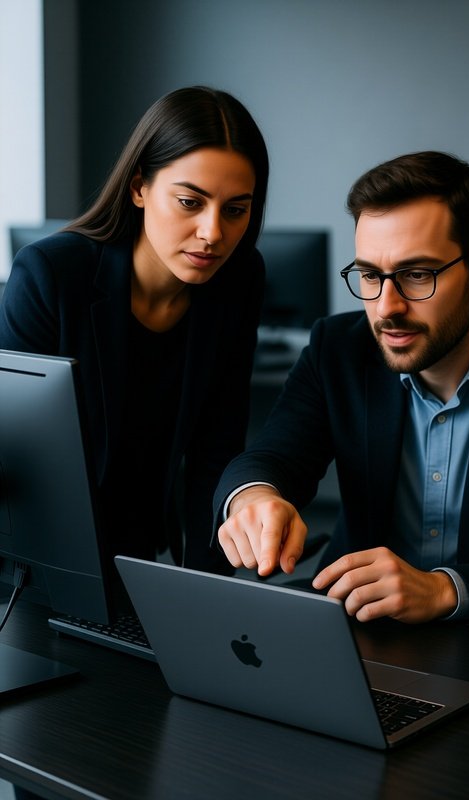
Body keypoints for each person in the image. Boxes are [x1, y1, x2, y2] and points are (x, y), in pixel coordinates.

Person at [215, 150, 469, 624]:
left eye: (417, 275)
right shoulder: (338, 348)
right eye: (370, 276)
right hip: (356, 625)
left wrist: (442, 589)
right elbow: (272, 456)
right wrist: (256, 497)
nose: (385, 308)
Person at [0, 85, 269, 576]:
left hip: (143, 553)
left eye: (235, 209)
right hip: (37, 559)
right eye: (190, 201)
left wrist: (205, 596)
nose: (213, 233)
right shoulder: (51, 273)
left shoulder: (239, 280)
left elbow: (217, 446)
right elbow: (18, 455)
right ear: (139, 186)